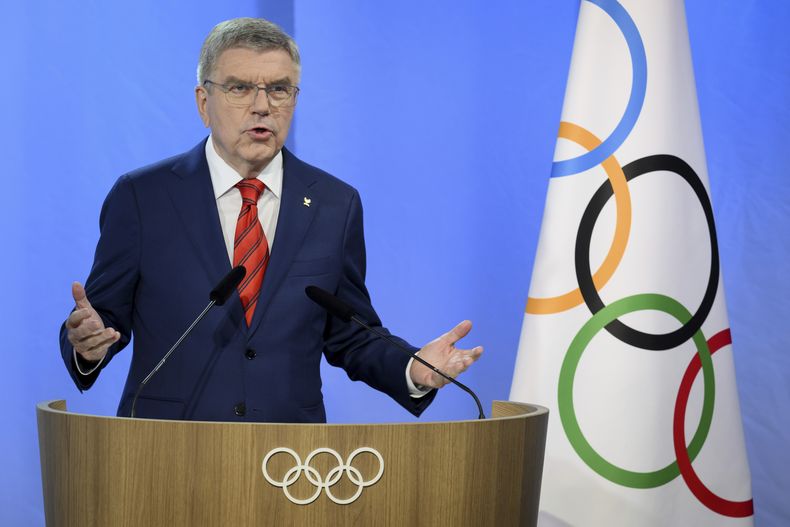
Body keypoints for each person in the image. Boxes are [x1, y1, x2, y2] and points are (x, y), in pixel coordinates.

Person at [59, 18, 482, 423]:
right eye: (240, 88)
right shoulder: (142, 197)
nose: (262, 106)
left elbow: (350, 331)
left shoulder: (334, 204)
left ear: (294, 99)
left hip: (289, 459)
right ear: (204, 103)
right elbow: (103, 319)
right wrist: (89, 343)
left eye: (279, 89)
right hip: (169, 450)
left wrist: (413, 368)